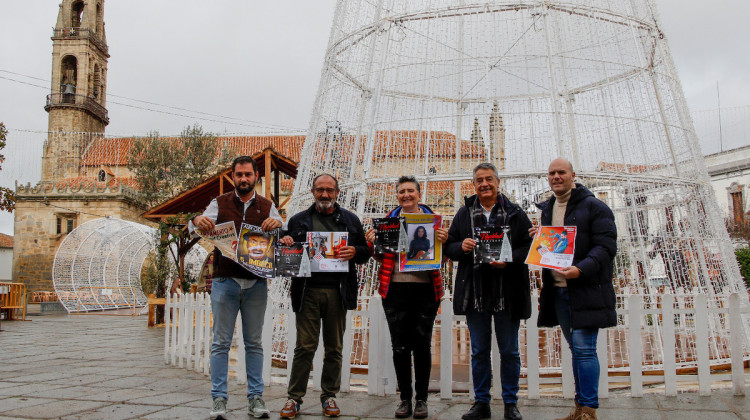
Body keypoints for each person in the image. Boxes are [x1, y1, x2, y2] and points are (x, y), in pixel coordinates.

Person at [191, 156, 282, 420]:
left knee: (254, 343)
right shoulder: (218, 203)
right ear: (233, 176)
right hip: (224, 281)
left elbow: (283, 235)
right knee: (220, 343)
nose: (243, 179)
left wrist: (279, 225)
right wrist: (197, 220)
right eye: (239, 175)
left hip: (256, 284)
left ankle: (256, 399)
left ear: (256, 177)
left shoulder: (267, 206)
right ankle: (219, 400)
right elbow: (194, 228)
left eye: (248, 175)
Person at [278, 173, 371, 418]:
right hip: (307, 291)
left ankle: (329, 396)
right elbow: (284, 250)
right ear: (312, 192)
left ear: (337, 192)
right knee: (304, 347)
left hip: (337, 292)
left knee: (334, 348)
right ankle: (294, 398)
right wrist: (285, 241)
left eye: (329, 190)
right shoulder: (298, 221)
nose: (325, 195)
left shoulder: (350, 220)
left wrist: (354, 251)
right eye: (320, 190)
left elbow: (365, 253)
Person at [530, 158, 617, 420]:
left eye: (561, 172)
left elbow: (606, 247)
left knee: (584, 348)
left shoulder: (594, 207)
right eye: (551, 173)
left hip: (585, 288)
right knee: (576, 350)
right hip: (557, 289)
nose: (556, 177)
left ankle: (589, 409)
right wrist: (540, 238)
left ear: (572, 175)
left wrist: (581, 269)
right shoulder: (548, 209)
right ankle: (580, 408)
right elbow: (555, 247)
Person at [444, 163, 532, 420]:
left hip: (508, 292)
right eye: (480, 180)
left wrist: (510, 259)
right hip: (476, 293)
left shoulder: (515, 212)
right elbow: (449, 247)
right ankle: (481, 402)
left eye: (489, 179)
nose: (484, 184)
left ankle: (510, 402)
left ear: (498, 182)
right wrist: (463, 246)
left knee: (510, 352)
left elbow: (529, 247)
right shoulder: (463, 214)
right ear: (474, 185)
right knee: (479, 351)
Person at [364, 176, 447, 419]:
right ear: (397, 195)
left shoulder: (433, 223)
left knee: (422, 345)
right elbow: (380, 257)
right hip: (396, 288)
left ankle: (421, 399)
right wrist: (372, 243)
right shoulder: (388, 222)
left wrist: (443, 241)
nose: (406, 195)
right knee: (399, 346)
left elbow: (445, 259)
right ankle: (404, 399)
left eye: (411, 191)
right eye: (402, 191)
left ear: (419, 195)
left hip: (425, 289)